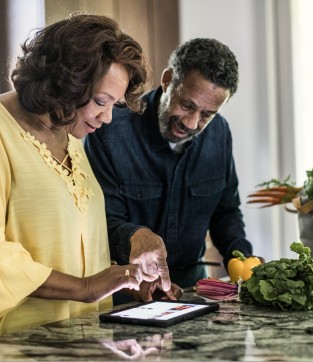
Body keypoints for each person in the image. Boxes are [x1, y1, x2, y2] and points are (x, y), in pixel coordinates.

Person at [0, 13, 180, 354]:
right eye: (101, 102)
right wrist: (86, 287)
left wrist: (124, 283)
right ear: (64, 82)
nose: (106, 117)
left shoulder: (70, 137)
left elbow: (68, 245)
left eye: (113, 106)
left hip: (69, 344)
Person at [85, 37, 257, 295]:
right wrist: (138, 236)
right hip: (127, 290)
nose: (191, 122)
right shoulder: (109, 131)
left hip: (193, 287)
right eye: (187, 105)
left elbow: (226, 212)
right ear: (167, 80)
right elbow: (103, 221)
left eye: (207, 115)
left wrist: (243, 259)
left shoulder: (219, 134)